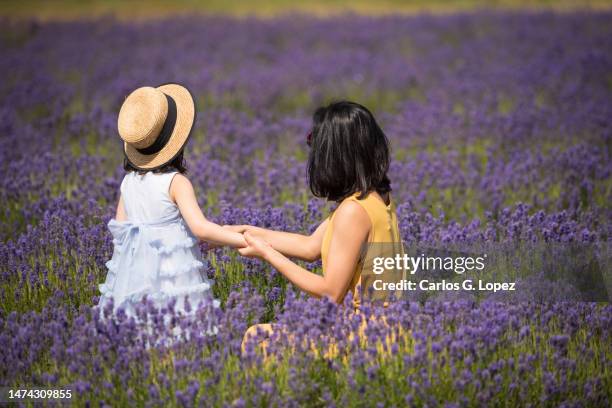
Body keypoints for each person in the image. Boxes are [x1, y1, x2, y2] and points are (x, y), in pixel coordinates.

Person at [229, 101, 403, 351]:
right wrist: (233, 232)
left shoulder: (352, 212)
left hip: (364, 341)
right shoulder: (374, 199)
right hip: (387, 332)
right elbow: (310, 246)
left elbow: (331, 292)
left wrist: (267, 254)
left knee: (258, 338)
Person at [98, 84, 245, 318]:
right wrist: (242, 239)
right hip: (173, 275)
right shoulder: (176, 182)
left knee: (139, 330)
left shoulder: (128, 182)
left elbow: (120, 232)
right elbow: (201, 228)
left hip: (134, 276)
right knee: (179, 325)